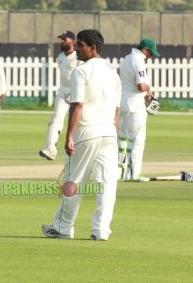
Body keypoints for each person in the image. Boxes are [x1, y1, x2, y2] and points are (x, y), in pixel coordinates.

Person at [42, 29, 121, 241]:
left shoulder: (81, 71)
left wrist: (68, 136)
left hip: (87, 132)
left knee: (73, 182)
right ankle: (101, 230)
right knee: (107, 184)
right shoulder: (113, 73)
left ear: (92, 48)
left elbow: (77, 105)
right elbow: (116, 111)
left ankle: (62, 227)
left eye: (80, 45)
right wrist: (114, 136)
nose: (76, 48)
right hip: (109, 134)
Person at [118, 38, 160, 182]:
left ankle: (120, 173)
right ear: (145, 50)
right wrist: (148, 89)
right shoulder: (139, 61)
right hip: (135, 106)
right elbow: (141, 86)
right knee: (137, 140)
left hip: (122, 103)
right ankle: (135, 174)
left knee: (122, 139)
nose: (151, 56)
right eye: (151, 53)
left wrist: (148, 95)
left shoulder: (127, 58)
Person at [39, 30, 79, 160]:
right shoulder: (60, 57)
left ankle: (80, 151)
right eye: (61, 39)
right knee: (56, 119)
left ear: (72, 41)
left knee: (80, 123)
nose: (62, 41)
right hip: (63, 92)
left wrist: (74, 92)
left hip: (77, 92)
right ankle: (50, 149)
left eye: (65, 39)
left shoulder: (79, 57)